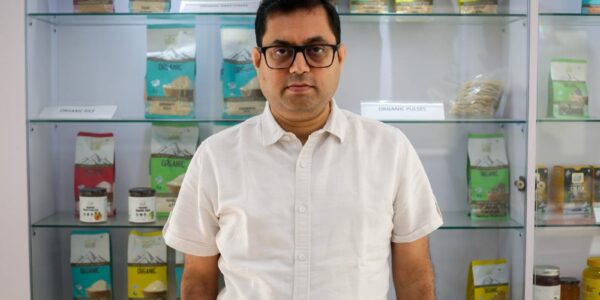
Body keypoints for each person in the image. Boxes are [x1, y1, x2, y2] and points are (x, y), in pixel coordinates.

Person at [163, 0, 443, 299]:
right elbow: (197, 279)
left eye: (316, 49)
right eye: (281, 51)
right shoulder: (215, 157)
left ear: (340, 57)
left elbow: (414, 276)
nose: (299, 67)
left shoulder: (390, 149)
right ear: (258, 61)